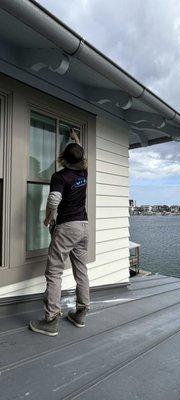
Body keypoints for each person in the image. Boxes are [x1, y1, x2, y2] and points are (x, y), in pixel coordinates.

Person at [29, 129, 89, 336]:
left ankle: (51, 320)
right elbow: (82, 155)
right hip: (83, 227)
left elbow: (54, 200)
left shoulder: (60, 176)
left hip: (66, 228)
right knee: (81, 270)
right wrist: (76, 139)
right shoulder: (84, 173)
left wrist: (47, 218)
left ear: (62, 158)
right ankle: (80, 314)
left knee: (54, 272)